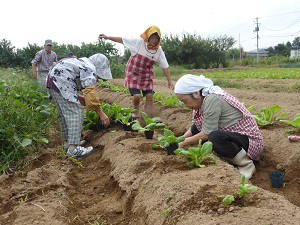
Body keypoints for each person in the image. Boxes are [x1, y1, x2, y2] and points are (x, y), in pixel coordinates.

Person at [174, 74, 264, 179]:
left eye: (184, 100)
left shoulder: (212, 99)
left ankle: (246, 165)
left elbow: (207, 133)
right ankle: (229, 158)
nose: (184, 104)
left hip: (249, 141)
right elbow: (195, 127)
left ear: (196, 93)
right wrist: (178, 140)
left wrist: (184, 142)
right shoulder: (201, 103)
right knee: (198, 129)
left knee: (215, 137)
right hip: (233, 138)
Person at [99, 25, 174, 119]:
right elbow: (122, 40)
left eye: (156, 38)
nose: (154, 40)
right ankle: (136, 113)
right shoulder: (139, 43)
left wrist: (170, 80)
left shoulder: (158, 51)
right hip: (133, 74)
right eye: (152, 37)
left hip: (146, 75)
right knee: (137, 96)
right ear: (148, 36)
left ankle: (148, 118)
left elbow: (165, 66)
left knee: (150, 96)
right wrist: (107, 37)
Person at [47, 57, 110, 158]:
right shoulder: (90, 69)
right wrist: (101, 114)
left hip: (52, 80)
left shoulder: (81, 62)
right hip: (60, 81)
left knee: (64, 114)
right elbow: (90, 94)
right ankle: (73, 150)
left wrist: (79, 97)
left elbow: (68, 77)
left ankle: (68, 144)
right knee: (76, 113)